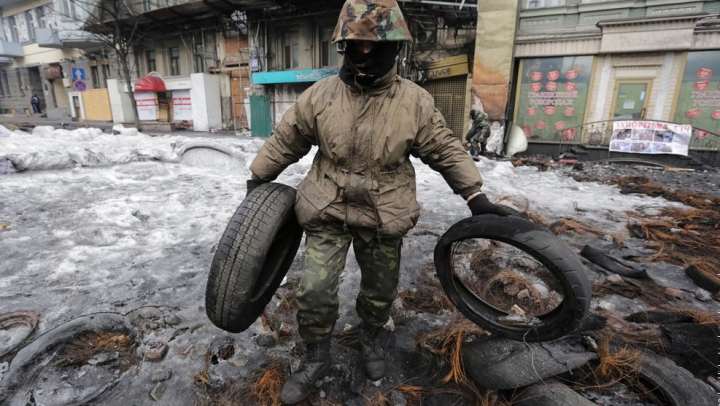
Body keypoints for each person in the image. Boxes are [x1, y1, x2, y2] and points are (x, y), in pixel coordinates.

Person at [246, 1, 508, 404]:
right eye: (357, 45)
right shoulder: (320, 97)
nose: (365, 54)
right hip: (326, 207)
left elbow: (444, 148)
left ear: (396, 48)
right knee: (314, 291)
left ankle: (371, 338)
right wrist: (258, 178)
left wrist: (474, 194)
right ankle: (316, 356)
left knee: (380, 293)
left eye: (376, 46)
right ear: (344, 46)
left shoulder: (414, 102)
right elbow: (287, 138)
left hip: (385, 212)